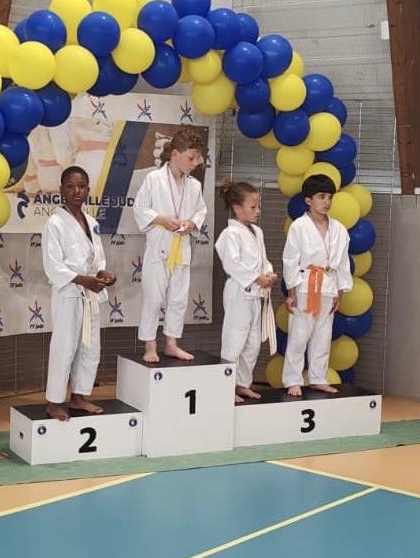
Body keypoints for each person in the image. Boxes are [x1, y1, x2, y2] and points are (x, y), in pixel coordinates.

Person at [41, 166, 117, 421]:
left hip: (90, 294)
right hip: (69, 293)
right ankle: (54, 402)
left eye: (82, 186)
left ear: (88, 189)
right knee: (64, 347)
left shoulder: (92, 222)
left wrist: (104, 274)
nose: (77, 191)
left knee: (90, 347)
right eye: (71, 186)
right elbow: (53, 266)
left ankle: (79, 396)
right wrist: (84, 280)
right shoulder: (55, 223)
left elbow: (98, 259)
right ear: (61, 190)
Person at [133, 127, 207, 363]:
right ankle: (150, 345)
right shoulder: (154, 179)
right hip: (159, 249)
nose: (195, 163)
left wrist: (192, 224)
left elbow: (201, 211)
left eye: (197, 158)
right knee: (153, 299)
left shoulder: (194, 185)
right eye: (191, 158)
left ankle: (172, 344)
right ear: (175, 154)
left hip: (181, 249)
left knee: (178, 299)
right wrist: (161, 219)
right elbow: (140, 208)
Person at [282, 174, 353, 396]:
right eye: (321, 197)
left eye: (330, 197)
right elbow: (290, 260)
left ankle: (318, 378)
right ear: (308, 200)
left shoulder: (339, 229)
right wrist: (291, 292)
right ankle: (292, 379)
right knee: (299, 335)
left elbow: (343, 263)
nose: (327, 202)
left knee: (323, 335)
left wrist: (340, 292)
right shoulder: (299, 227)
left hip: (329, 285)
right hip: (305, 285)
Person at [215, 180, 277, 403]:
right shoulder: (230, 234)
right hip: (239, 292)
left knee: (252, 343)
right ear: (237, 208)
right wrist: (256, 278)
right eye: (253, 207)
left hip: (256, 294)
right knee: (235, 340)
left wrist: (268, 273)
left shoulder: (257, 231)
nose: (258, 210)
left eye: (258, 206)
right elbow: (232, 264)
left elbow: (263, 260)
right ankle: (225, 387)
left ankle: (243, 384)